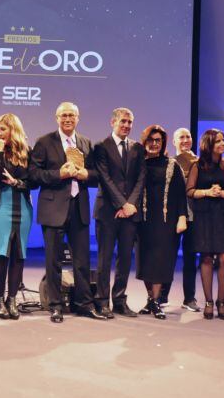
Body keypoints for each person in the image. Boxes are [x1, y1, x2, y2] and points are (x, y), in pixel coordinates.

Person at [29, 102, 103, 323]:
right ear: (56, 118)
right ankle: (55, 305)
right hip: (53, 209)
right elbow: (33, 174)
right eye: (64, 115)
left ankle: (84, 304)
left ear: (78, 118)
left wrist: (85, 175)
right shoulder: (44, 142)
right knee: (54, 261)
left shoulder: (86, 143)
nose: (68, 119)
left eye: (72, 115)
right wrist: (58, 174)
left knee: (82, 261)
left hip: (78, 207)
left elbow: (97, 174)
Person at [93, 107, 146, 318]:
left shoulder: (137, 148)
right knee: (104, 259)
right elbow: (105, 179)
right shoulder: (101, 147)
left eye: (130, 122)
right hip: (107, 211)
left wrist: (130, 204)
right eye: (123, 121)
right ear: (112, 122)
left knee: (125, 258)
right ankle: (102, 301)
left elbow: (141, 178)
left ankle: (120, 300)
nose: (126, 125)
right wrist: (122, 204)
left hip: (130, 213)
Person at [186, 129, 224, 320]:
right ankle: (209, 301)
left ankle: (221, 301)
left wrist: (222, 193)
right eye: (218, 141)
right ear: (209, 144)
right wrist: (208, 192)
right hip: (204, 216)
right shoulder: (197, 166)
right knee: (207, 258)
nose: (223, 143)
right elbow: (190, 191)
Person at [0, 114, 36, 320]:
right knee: (1, 253)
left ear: (13, 130)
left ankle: (12, 299)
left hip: (23, 206)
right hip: (1, 205)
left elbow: (33, 181)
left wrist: (17, 183)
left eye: (3, 129)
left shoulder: (27, 152)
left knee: (18, 253)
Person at [136, 125, 187, 319]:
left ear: (163, 143)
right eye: (151, 140)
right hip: (143, 221)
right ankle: (151, 300)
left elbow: (181, 194)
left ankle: (156, 301)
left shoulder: (172, 165)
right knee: (144, 262)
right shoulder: (138, 163)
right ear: (145, 141)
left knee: (160, 262)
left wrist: (182, 217)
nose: (154, 144)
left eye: (158, 140)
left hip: (166, 222)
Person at [158, 127, 200, 312]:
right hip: (173, 217)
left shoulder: (200, 162)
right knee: (168, 256)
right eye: (181, 137)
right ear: (174, 142)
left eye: (188, 137)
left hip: (195, 216)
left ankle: (189, 298)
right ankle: (162, 296)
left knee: (191, 258)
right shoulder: (168, 162)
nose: (185, 140)